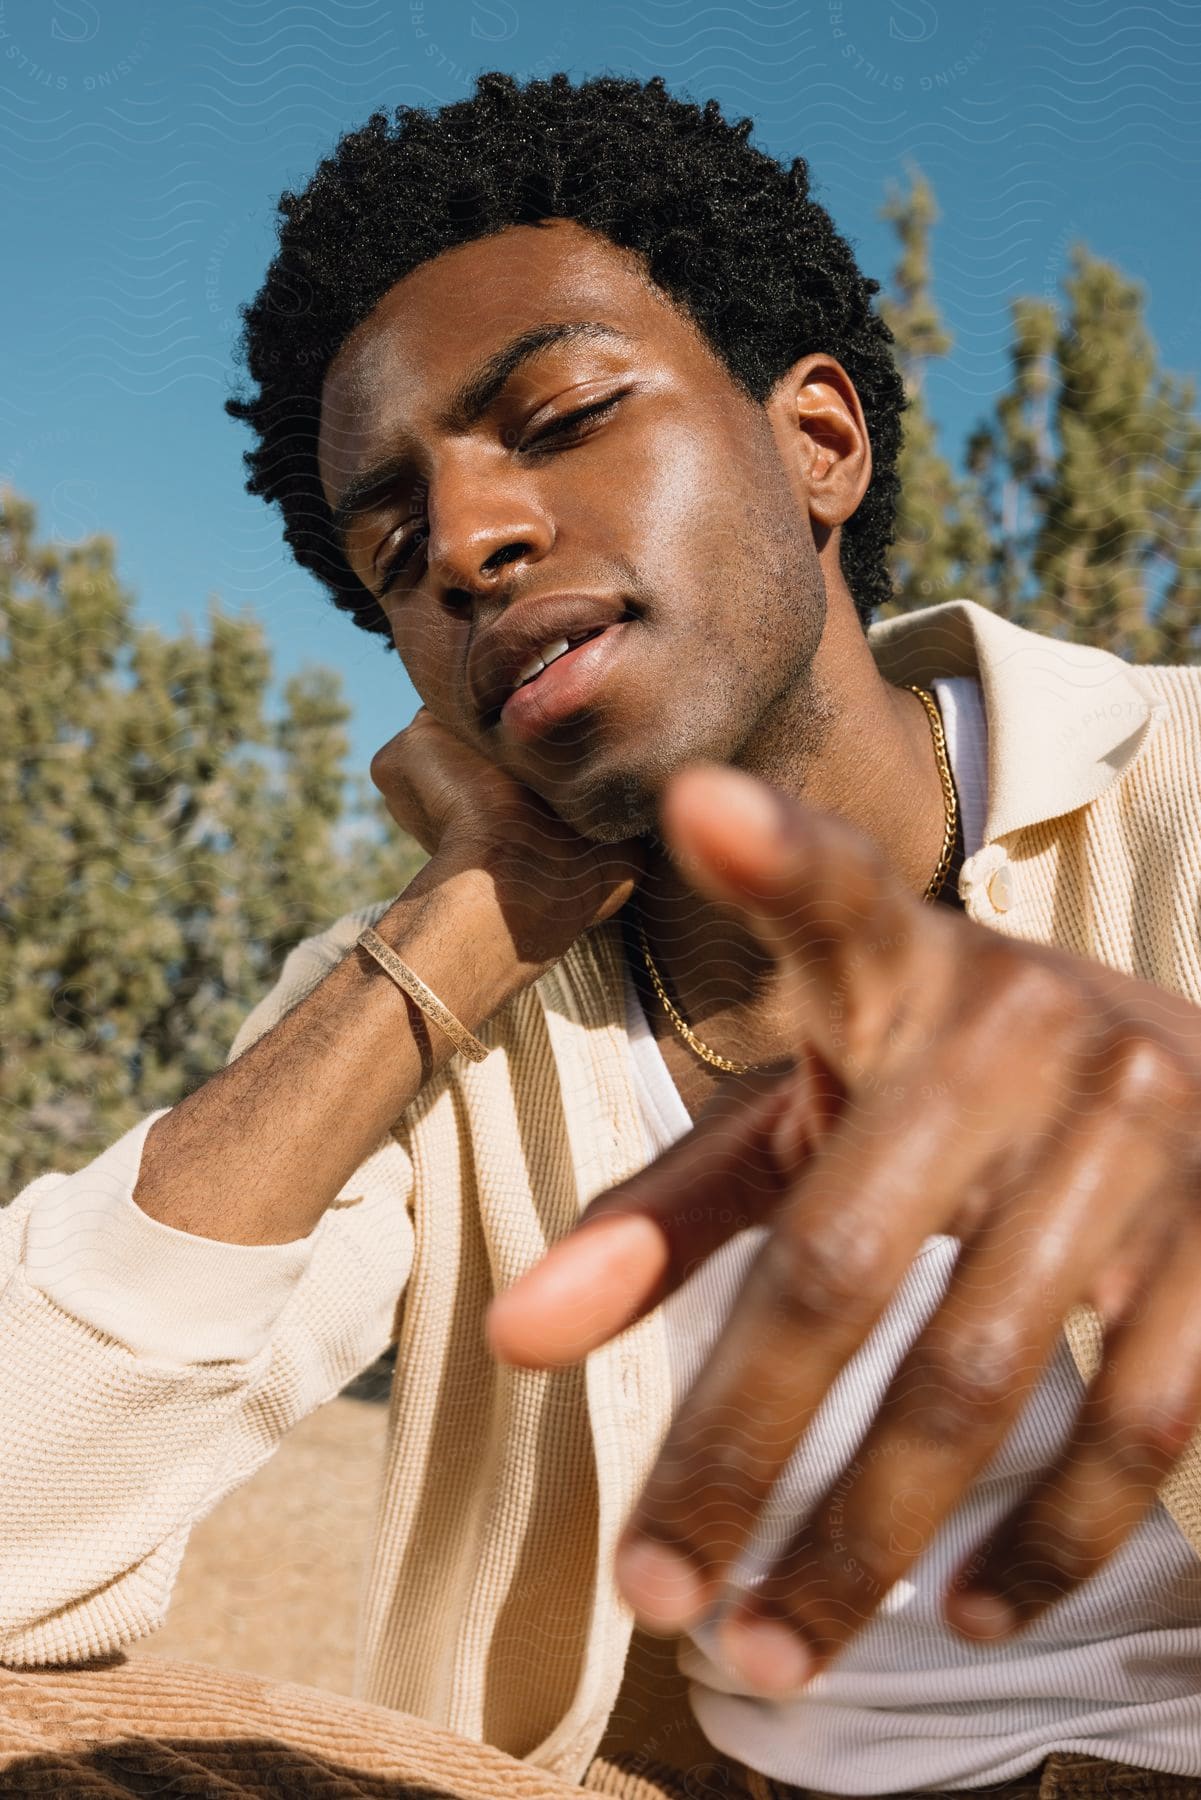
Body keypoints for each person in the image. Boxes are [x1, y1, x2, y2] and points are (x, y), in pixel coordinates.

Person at [1, 70, 1200, 1800]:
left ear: (817, 443)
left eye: (560, 419)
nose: (471, 546)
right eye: (396, 550)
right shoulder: (423, 1007)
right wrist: (473, 921)